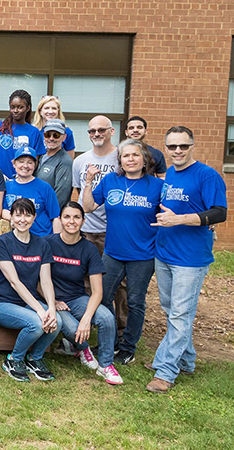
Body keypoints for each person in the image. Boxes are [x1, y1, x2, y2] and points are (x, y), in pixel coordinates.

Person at [146, 126, 227, 393]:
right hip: (164, 253)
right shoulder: (169, 174)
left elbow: (219, 213)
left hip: (190, 259)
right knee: (172, 311)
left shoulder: (207, 175)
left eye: (183, 146)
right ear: (166, 148)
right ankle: (186, 360)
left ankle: (165, 370)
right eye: (172, 146)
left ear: (193, 146)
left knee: (180, 314)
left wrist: (179, 219)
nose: (178, 151)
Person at [81, 138, 162, 367]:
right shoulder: (111, 180)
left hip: (143, 255)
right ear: (120, 160)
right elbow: (88, 207)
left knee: (134, 302)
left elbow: (168, 215)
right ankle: (110, 341)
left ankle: (128, 348)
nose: (131, 159)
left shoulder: (157, 186)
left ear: (144, 159)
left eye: (135, 155)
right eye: (126, 155)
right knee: (103, 297)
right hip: (113, 253)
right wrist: (88, 182)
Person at [48, 202, 122, 385]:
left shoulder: (89, 249)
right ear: (60, 220)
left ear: (83, 221)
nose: (71, 221)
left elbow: (97, 292)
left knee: (106, 317)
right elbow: (37, 280)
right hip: (51, 299)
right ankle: (83, 349)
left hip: (76, 298)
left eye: (76, 217)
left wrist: (87, 318)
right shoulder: (48, 243)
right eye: (67, 217)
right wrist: (53, 300)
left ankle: (106, 365)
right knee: (73, 328)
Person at [0, 198, 60, 382]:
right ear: (11, 218)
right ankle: (14, 359)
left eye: (27, 215)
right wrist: (40, 310)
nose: (22, 219)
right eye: (18, 215)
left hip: (28, 302)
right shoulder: (2, 243)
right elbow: (14, 282)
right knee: (36, 323)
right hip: (2, 303)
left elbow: (46, 280)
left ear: (34, 217)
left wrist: (51, 308)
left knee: (58, 321)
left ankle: (35, 358)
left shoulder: (42, 244)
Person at [72, 115, 119, 253]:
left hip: (110, 230)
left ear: (112, 131)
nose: (96, 134)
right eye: (92, 131)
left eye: (101, 130)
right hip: (85, 228)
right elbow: (79, 190)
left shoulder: (121, 159)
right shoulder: (80, 160)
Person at [2, 147, 61, 237]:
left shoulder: (45, 187)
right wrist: (13, 218)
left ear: (35, 165)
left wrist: (56, 241)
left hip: (42, 237)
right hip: (17, 238)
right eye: (21, 161)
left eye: (30, 162)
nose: (25, 166)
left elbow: (55, 217)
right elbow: (1, 210)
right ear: (14, 163)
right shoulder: (6, 186)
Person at [0, 90, 45, 179]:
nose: (15, 110)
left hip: (24, 180)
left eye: (20, 107)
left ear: (28, 108)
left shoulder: (34, 132)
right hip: (1, 180)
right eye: (12, 107)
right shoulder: (0, 128)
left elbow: (35, 160)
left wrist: (23, 176)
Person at [37, 120, 73, 210]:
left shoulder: (65, 161)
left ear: (64, 137)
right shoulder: (40, 156)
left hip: (48, 213)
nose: (51, 138)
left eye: (56, 135)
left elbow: (61, 195)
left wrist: (48, 213)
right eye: (48, 135)